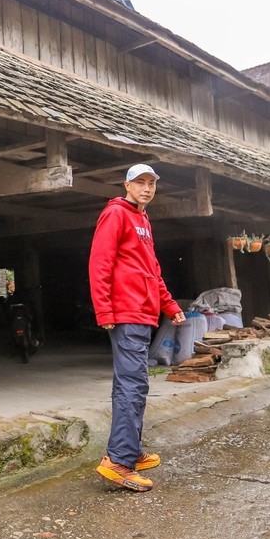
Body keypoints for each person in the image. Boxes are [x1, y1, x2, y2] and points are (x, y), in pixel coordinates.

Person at [88, 163, 185, 491]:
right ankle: (118, 462)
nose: (146, 188)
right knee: (133, 385)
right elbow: (100, 262)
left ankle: (128, 450)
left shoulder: (142, 219)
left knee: (129, 385)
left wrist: (169, 305)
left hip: (144, 312)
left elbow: (151, 270)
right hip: (126, 312)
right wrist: (104, 309)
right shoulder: (115, 213)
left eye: (151, 183)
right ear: (126, 185)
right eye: (140, 182)